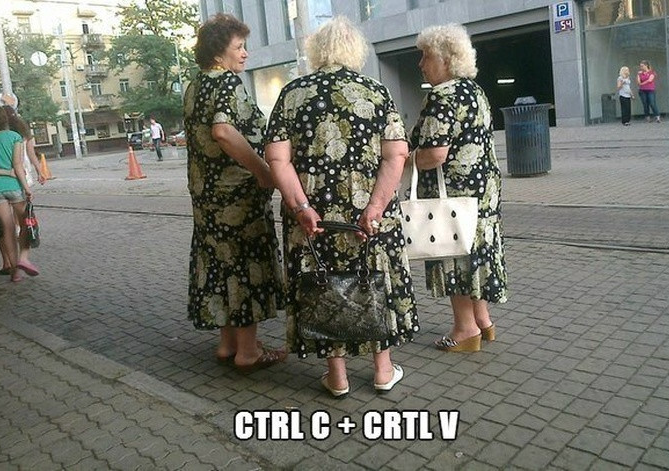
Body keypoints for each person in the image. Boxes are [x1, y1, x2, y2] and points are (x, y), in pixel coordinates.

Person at [265, 16, 419, 398]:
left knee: (323, 284)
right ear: (355, 51)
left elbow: (277, 158)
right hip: (367, 217)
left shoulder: (292, 94)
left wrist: (301, 206)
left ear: (316, 52)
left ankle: (337, 377)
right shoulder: (376, 92)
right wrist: (375, 208)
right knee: (373, 280)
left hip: (313, 218)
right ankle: (383, 370)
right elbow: (397, 154)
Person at [184, 13, 286, 372]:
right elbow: (223, 131)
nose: (245, 53)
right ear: (218, 53)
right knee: (243, 265)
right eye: (239, 47)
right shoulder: (227, 82)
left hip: (207, 197)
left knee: (220, 264)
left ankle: (228, 345)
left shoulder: (195, 85)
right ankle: (248, 352)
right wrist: (263, 171)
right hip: (236, 197)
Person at [410, 24, 508, 353]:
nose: (421, 63)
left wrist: (406, 161)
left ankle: (465, 329)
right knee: (475, 251)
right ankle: (483, 321)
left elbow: (435, 154)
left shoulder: (442, 96)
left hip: (452, 195)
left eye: (426, 56)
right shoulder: (475, 91)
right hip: (483, 192)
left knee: (456, 254)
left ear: (447, 59)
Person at [0, 98, 45, 275]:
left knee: (7, 229)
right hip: (15, 187)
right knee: (25, 221)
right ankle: (23, 259)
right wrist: (27, 188)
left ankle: (14, 271)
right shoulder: (14, 137)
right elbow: (18, 166)